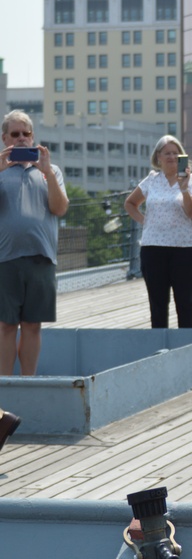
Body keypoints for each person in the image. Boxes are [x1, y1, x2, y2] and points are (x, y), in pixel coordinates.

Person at [0, 110, 69, 376]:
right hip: (5, 258)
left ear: (33, 137)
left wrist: (48, 172)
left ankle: (28, 382)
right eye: (14, 134)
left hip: (42, 258)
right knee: (6, 326)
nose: (20, 139)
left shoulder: (50, 171)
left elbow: (59, 208)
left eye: (25, 134)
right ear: (4, 138)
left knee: (32, 325)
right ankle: (5, 387)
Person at [125, 135, 192, 329]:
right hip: (153, 248)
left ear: (182, 157)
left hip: (184, 248)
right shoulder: (152, 180)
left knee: (185, 303)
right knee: (158, 304)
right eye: (167, 153)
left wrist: (184, 188)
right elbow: (130, 203)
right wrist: (144, 221)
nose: (172, 157)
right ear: (159, 157)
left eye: (176, 153)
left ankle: (186, 348)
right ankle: (160, 348)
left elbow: (191, 211)